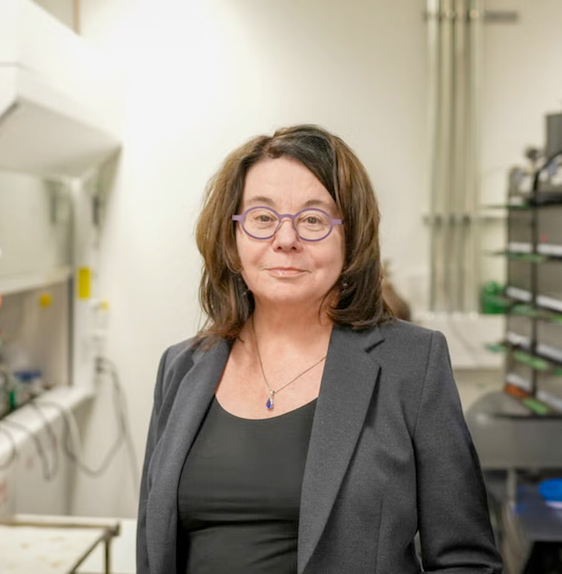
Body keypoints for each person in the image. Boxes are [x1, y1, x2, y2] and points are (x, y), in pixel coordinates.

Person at [137, 125, 501, 574]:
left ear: (350, 240)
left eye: (313, 219)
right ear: (232, 241)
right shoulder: (181, 367)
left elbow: (466, 560)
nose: (286, 239)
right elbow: (152, 551)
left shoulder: (411, 363)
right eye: (262, 217)